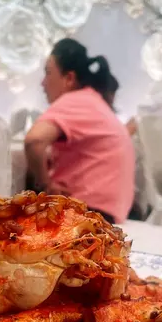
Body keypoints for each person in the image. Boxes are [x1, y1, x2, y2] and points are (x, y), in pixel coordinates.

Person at [24, 38, 134, 224]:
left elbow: (34, 141)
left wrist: (45, 183)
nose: (43, 83)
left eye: (48, 73)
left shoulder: (75, 100)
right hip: (109, 213)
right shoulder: (94, 101)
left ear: (69, 78)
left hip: (84, 211)